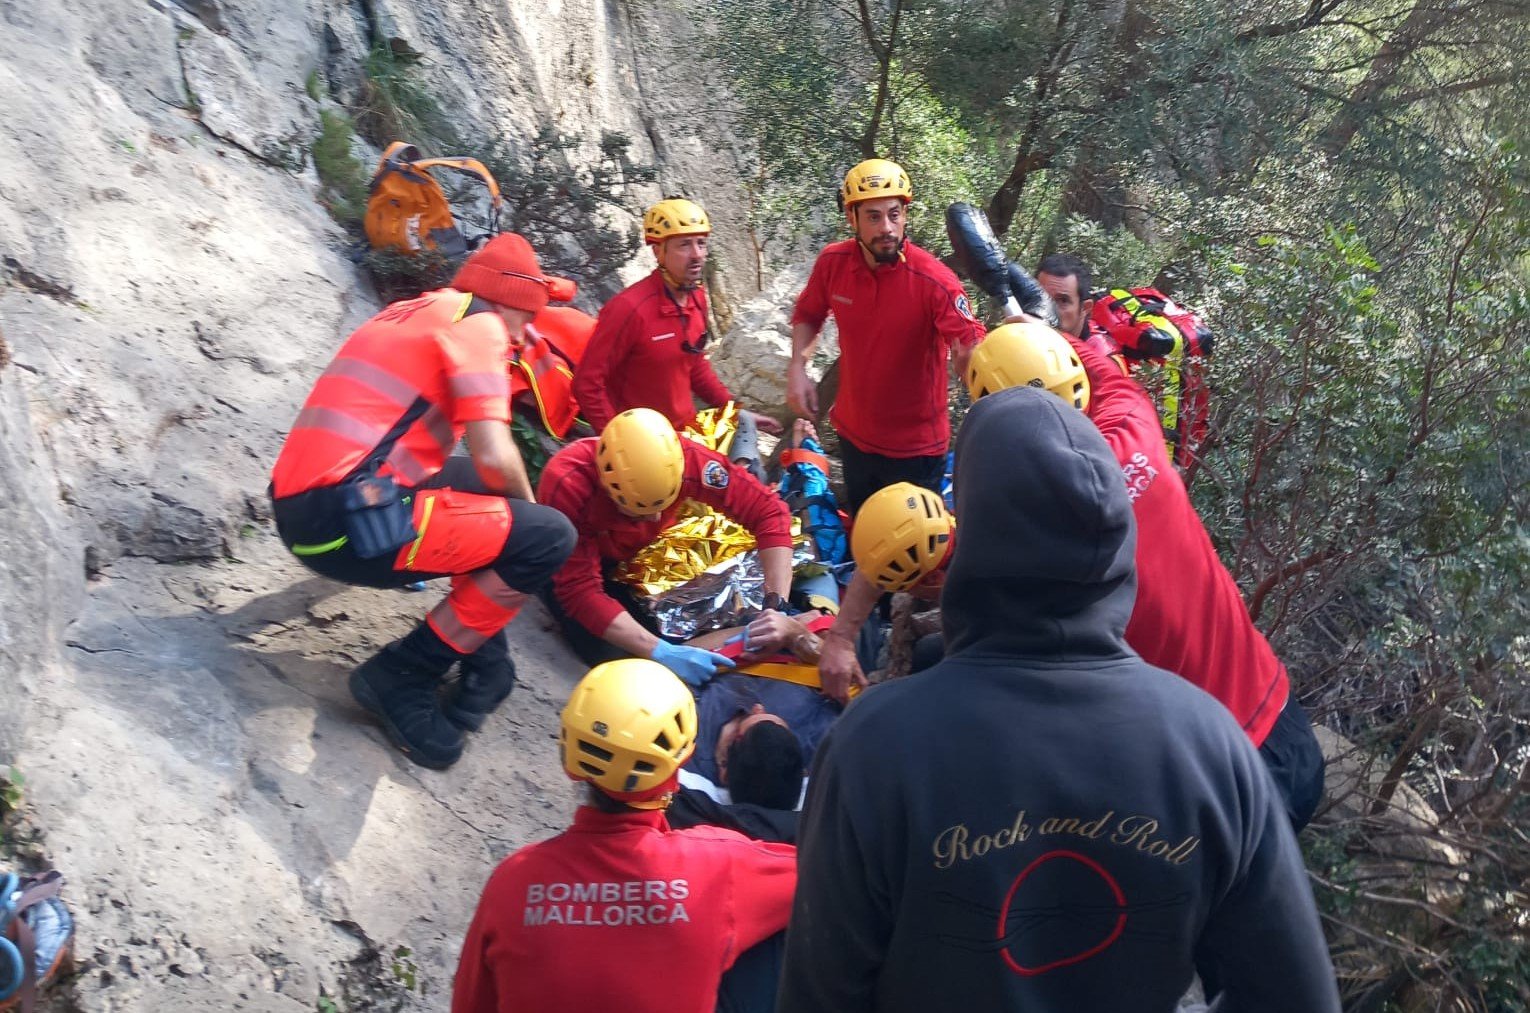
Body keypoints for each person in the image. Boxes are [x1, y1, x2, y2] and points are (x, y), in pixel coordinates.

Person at [776, 386, 1341, 1013]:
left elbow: (819, 993)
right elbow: (1300, 997)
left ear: (976, 536)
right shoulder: (1212, 749)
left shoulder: (872, 749)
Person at [966, 320, 1325, 828]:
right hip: (1286, 728)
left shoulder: (1030, 524)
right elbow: (1112, 380)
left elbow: (934, 550)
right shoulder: (1137, 430)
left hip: (1211, 783)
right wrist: (1047, 331)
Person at [269, 233, 577, 769]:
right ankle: (402, 674)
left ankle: (485, 663)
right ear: (507, 306)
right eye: (526, 322)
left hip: (310, 506)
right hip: (348, 528)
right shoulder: (482, 327)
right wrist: (535, 518)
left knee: (484, 498)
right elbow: (493, 454)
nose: (525, 338)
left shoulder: (419, 308)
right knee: (548, 535)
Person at [452, 658, 797, 1013]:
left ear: (571, 764)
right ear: (678, 767)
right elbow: (826, 872)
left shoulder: (512, 882)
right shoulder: (720, 867)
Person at [537, 407, 794, 683]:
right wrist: (658, 650)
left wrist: (776, 606)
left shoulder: (685, 459)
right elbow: (578, 589)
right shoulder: (568, 483)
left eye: (661, 504)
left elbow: (768, 510)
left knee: (697, 616)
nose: (654, 518)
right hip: (581, 555)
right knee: (618, 659)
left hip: (637, 553)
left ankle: (747, 459)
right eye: (637, 510)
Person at [786, 159, 986, 512]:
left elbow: (972, 342)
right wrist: (798, 368)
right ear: (852, 219)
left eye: (894, 214)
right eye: (873, 217)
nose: (887, 228)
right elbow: (808, 313)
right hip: (855, 437)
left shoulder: (934, 281)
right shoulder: (834, 264)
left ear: (905, 215)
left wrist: (970, 362)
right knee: (866, 539)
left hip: (917, 451)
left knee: (915, 557)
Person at [572, 197, 780, 475]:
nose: (697, 254)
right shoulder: (629, 309)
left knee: (749, 453)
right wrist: (615, 444)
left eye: (701, 243)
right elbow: (587, 384)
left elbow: (694, 365)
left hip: (685, 433)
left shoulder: (696, 298)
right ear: (659, 252)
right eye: (684, 245)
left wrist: (732, 409)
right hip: (644, 445)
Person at [816, 482, 954, 701]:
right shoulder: (944, 531)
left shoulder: (986, 605)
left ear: (933, 580)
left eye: (910, 587)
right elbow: (882, 560)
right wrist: (840, 638)